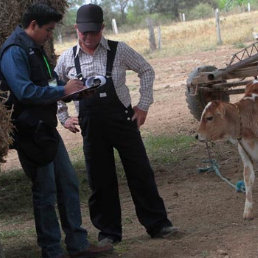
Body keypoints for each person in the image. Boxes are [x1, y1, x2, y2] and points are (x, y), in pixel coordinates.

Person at [56, 3, 178, 246]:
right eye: (84, 33)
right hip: (91, 126)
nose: (89, 38)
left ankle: (158, 224)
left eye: (94, 32)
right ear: (76, 29)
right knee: (100, 180)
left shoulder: (119, 50)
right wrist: (64, 116)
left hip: (123, 121)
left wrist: (143, 105)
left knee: (140, 172)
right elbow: (56, 87)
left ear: (102, 28)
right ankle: (108, 233)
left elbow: (146, 70)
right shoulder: (67, 58)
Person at [0, 3, 113, 258]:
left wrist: (75, 89)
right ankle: (52, 251)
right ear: (33, 26)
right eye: (48, 30)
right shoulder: (14, 52)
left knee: (68, 184)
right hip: (30, 132)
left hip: (45, 129)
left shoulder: (35, 49)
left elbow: (49, 82)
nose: (51, 35)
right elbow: (25, 92)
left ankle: (78, 245)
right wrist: (62, 90)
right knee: (45, 192)